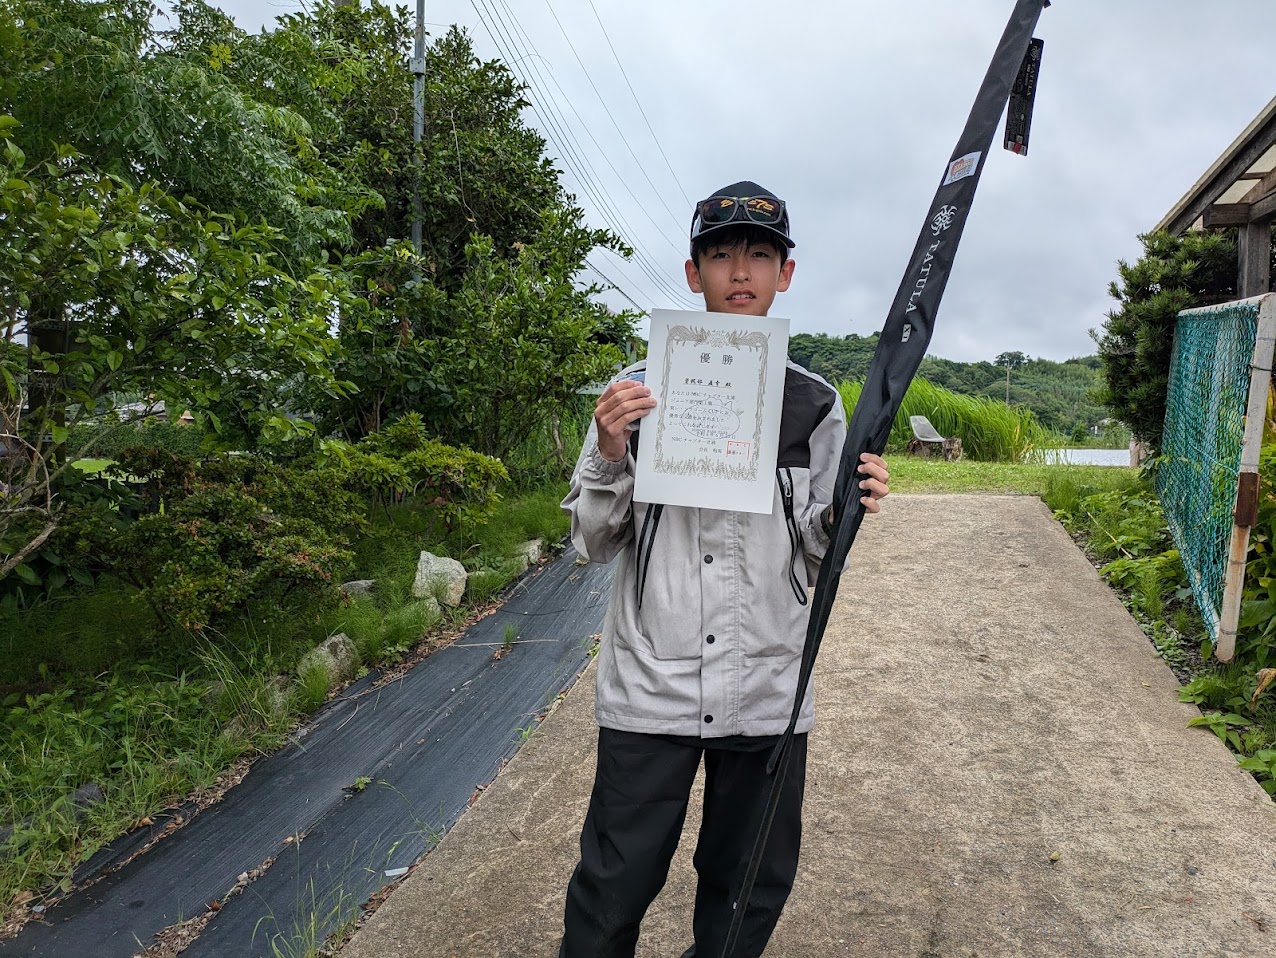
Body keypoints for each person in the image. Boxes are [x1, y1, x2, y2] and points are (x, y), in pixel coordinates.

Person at [558, 180, 890, 958]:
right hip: (653, 689)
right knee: (613, 885)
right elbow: (594, 542)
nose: (740, 270)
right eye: (721, 254)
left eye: (760, 255)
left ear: (786, 274)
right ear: (692, 271)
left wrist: (850, 506)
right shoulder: (634, 394)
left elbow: (816, 544)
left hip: (768, 685)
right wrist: (611, 453)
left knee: (746, 887)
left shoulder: (814, 403)